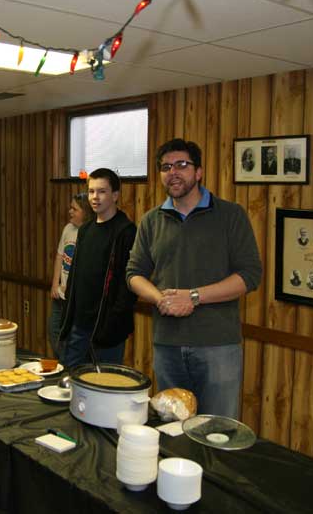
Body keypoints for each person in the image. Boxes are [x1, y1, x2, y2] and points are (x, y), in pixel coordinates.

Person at [126, 138, 262, 418]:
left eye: (182, 165)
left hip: (218, 347)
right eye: (166, 167)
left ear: (198, 172)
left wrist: (194, 297)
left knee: (217, 432)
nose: (173, 172)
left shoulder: (230, 215)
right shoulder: (151, 220)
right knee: (172, 428)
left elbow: (249, 276)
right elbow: (134, 274)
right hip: (167, 346)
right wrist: (160, 298)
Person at [58, 168, 137, 368]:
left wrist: (113, 323)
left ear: (115, 195)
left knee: (105, 387)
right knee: (71, 383)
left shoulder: (126, 231)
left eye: (102, 191)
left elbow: (127, 284)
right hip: (79, 325)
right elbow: (75, 275)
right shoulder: (85, 230)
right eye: (91, 191)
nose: (95, 197)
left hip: (107, 328)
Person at [47, 192, 93, 358]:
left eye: (74, 209)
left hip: (76, 300)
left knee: (75, 339)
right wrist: (55, 284)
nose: (70, 212)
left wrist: (73, 287)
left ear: (85, 212)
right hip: (60, 295)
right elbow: (60, 256)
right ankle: (64, 365)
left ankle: (71, 368)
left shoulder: (91, 233)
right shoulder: (68, 229)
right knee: (54, 332)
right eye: (70, 208)